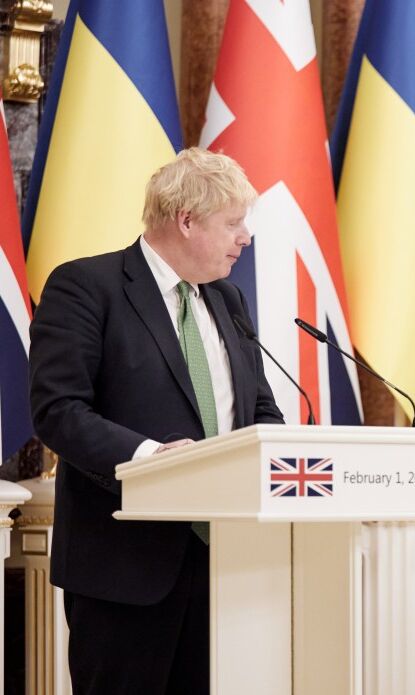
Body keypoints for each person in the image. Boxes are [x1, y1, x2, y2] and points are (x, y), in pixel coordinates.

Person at [29, 147, 284, 694]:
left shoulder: (229, 300)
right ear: (186, 221)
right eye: (233, 224)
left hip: (229, 564)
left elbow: (259, 409)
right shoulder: (86, 286)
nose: (246, 238)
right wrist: (152, 462)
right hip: (125, 569)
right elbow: (59, 411)